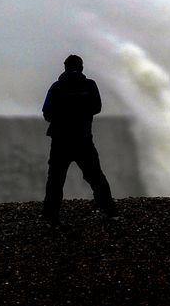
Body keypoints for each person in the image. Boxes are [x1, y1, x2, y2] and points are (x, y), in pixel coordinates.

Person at [41, 54, 118, 227]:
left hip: (60, 141)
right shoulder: (89, 85)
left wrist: (62, 115)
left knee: (55, 179)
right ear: (82, 67)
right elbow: (97, 107)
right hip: (83, 139)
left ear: (65, 67)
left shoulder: (56, 87)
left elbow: (46, 112)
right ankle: (110, 211)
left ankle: (50, 216)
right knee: (96, 177)